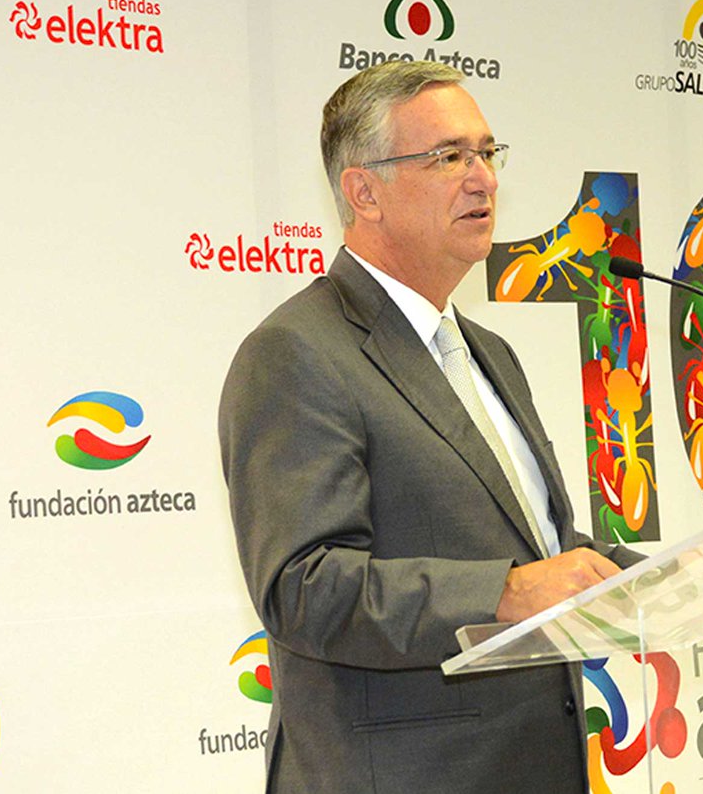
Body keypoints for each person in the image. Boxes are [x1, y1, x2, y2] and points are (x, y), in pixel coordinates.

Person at [218, 60, 642, 793]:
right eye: (450, 157)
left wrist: (677, 576)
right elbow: (304, 588)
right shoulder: (296, 352)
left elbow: (534, 552)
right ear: (364, 192)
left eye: (487, 152)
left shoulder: (490, 353)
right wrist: (505, 592)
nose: (484, 179)